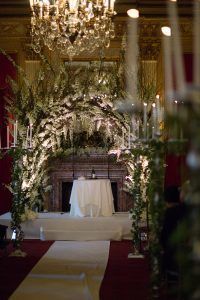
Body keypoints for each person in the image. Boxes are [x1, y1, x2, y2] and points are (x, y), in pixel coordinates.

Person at [160, 186, 186, 280]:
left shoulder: (170, 212)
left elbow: (165, 235)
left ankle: (171, 277)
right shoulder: (185, 209)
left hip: (175, 254)